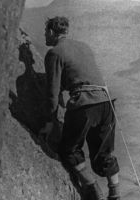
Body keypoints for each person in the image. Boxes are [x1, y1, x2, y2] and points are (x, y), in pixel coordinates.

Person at [39, 16, 120, 200]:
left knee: (68, 150)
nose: (45, 36)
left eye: (46, 32)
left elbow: (52, 92)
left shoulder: (55, 53)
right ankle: (115, 193)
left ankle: (92, 191)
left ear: (52, 32)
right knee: (103, 154)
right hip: (106, 103)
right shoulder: (84, 47)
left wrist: (50, 122)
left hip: (85, 105)